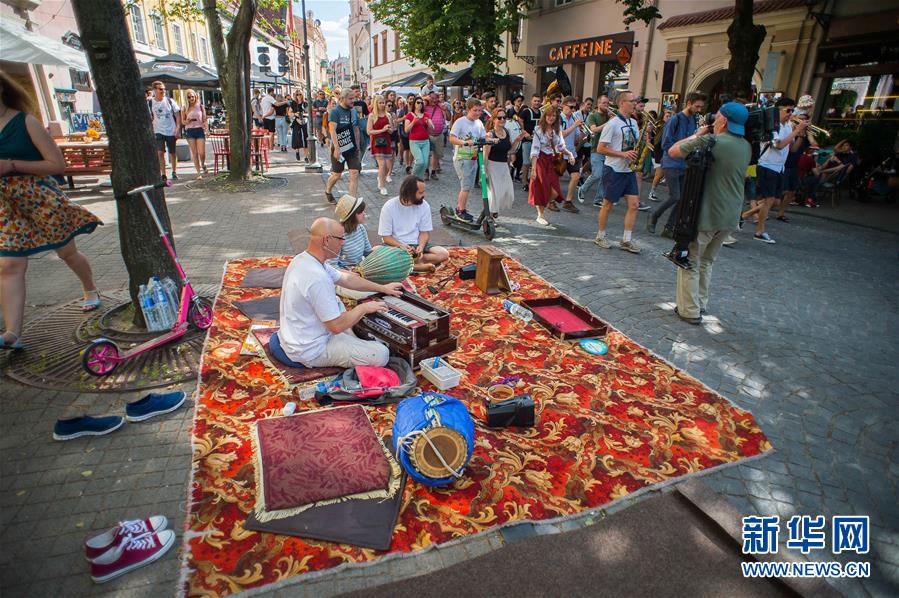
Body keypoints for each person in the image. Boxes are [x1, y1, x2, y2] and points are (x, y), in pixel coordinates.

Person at [0, 72, 103, 349]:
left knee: (66, 252)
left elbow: (56, 165)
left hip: (39, 199)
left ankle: (90, 288)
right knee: (9, 264)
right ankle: (13, 333)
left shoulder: (25, 122)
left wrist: (12, 165)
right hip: (5, 207)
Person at [277, 218, 403, 368]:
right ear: (327, 240)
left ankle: (351, 341)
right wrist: (363, 308)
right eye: (341, 238)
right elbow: (335, 327)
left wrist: (383, 288)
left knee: (336, 301)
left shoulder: (304, 259)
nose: (343, 242)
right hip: (311, 350)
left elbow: (347, 279)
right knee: (381, 354)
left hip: (301, 336)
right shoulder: (317, 277)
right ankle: (351, 343)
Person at [668, 102, 751, 324]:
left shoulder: (713, 141)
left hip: (708, 212)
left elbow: (673, 151)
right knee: (707, 261)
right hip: (731, 214)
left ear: (723, 121)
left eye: (716, 117)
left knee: (690, 259)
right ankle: (700, 303)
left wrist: (699, 133)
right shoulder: (746, 146)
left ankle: (689, 310)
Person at [741, 96, 807, 244]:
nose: (791, 113)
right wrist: (797, 131)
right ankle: (760, 231)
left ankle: (744, 215)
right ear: (778, 110)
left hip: (780, 167)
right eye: (788, 110)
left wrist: (801, 134)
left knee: (776, 201)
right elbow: (779, 145)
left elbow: (793, 149)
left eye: (793, 110)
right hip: (767, 165)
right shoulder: (772, 126)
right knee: (770, 200)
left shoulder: (789, 126)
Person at [650, 91, 707, 236]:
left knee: (682, 199)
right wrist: (683, 148)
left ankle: (669, 228)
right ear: (689, 103)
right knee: (676, 196)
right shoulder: (674, 120)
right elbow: (666, 143)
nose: (699, 110)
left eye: (701, 107)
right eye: (697, 106)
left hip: (684, 164)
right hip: (672, 163)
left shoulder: (693, 119)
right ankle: (654, 216)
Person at [594, 90, 642, 253]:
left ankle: (626, 240)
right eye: (632, 100)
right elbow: (600, 148)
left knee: (634, 205)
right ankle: (600, 235)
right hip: (613, 169)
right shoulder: (612, 123)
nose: (635, 103)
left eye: (635, 101)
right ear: (622, 103)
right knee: (608, 205)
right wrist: (622, 154)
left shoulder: (634, 123)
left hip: (628, 169)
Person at [378, 176, 449, 272]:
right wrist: (400, 246)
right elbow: (386, 237)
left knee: (443, 253)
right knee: (376, 251)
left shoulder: (424, 205)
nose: (424, 195)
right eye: (420, 193)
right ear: (409, 193)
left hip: (416, 245)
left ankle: (409, 263)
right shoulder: (389, 206)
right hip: (395, 246)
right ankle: (418, 266)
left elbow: (424, 233)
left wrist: (421, 246)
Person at [528, 105, 575, 226]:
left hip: (551, 160)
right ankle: (540, 215)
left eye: (553, 115)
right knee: (541, 186)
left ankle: (543, 204)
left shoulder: (557, 130)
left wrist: (569, 154)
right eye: (549, 115)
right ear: (545, 116)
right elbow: (535, 150)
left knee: (555, 191)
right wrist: (533, 169)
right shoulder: (538, 129)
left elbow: (560, 146)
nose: (551, 117)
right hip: (540, 159)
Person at [448, 98, 487, 222]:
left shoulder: (479, 123)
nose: (477, 113)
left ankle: (462, 208)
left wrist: (491, 138)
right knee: (466, 186)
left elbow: (483, 136)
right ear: (468, 110)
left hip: (474, 158)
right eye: (475, 110)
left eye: (479, 111)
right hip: (462, 158)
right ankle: (460, 210)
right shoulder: (460, 122)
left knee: (469, 186)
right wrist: (464, 142)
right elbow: (452, 138)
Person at [325, 89, 361, 203]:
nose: (353, 101)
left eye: (354, 98)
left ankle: (352, 202)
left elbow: (355, 129)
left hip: (351, 148)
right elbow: (332, 130)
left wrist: (358, 146)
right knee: (337, 175)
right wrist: (336, 148)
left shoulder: (353, 111)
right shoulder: (335, 112)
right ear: (342, 99)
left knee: (354, 173)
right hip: (339, 148)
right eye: (350, 99)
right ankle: (328, 191)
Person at [484, 108, 522, 218]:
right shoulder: (490, 135)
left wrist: (518, 140)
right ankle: (490, 216)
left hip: (503, 166)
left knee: (507, 192)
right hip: (492, 165)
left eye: (504, 117)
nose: (502, 120)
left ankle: (493, 212)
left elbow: (510, 150)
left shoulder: (507, 132)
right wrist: (484, 171)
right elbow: (486, 154)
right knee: (494, 193)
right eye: (499, 118)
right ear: (494, 119)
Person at [780, 112, 817, 219]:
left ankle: (781, 213)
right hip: (785, 163)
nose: (801, 121)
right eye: (799, 119)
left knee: (791, 191)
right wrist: (796, 129)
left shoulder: (806, 134)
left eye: (804, 120)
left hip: (795, 164)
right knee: (783, 191)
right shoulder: (790, 130)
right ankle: (759, 205)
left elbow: (814, 144)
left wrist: (807, 132)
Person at [577, 94, 612, 206]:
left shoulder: (609, 115)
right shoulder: (593, 116)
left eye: (607, 103)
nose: (606, 105)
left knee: (605, 176)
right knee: (597, 174)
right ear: (598, 104)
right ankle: (582, 189)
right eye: (604, 103)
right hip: (596, 149)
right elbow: (594, 129)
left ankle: (598, 199)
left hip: (608, 149)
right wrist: (609, 122)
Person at [148, 81, 181, 180]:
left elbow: (177, 115)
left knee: (172, 152)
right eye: (160, 89)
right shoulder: (150, 102)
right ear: (155, 90)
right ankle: (163, 174)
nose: (163, 91)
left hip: (171, 130)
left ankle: (174, 171)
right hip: (158, 130)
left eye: (164, 89)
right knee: (160, 152)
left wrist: (178, 128)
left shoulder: (169, 101)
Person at [557, 96, 583, 212]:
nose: (573, 110)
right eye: (571, 107)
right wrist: (574, 126)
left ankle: (568, 201)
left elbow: (576, 139)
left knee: (576, 176)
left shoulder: (573, 119)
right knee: (556, 178)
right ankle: (551, 200)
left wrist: (582, 136)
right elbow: (561, 134)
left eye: (574, 107)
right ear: (563, 106)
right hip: (560, 153)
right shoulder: (558, 118)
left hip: (571, 153)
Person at [332, 194, 372, 268]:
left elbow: (368, 252)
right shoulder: (338, 236)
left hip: (360, 269)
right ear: (352, 216)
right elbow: (332, 266)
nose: (364, 214)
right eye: (360, 212)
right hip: (344, 275)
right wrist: (350, 273)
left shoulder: (361, 228)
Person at [367, 94, 393, 195]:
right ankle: (382, 186)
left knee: (387, 166)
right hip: (377, 143)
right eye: (380, 103)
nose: (382, 104)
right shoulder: (372, 116)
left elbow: (391, 131)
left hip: (386, 142)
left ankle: (380, 177)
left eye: (383, 103)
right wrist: (382, 130)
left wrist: (389, 129)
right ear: (376, 103)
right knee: (382, 165)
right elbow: (369, 131)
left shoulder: (388, 115)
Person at [647, 108, 672, 202]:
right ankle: (652, 192)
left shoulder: (667, 125)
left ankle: (653, 192)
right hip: (657, 151)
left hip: (663, 151)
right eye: (667, 116)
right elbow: (651, 135)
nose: (669, 118)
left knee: (662, 173)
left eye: (670, 116)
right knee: (659, 173)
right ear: (662, 116)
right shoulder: (660, 125)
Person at [404, 96, 432, 179]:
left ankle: (418, 180)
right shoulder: (409, 115)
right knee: (420, 161)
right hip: (414, 141)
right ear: (414, 104)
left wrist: (429, 123)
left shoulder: (426, 114)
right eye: (418, 102)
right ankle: (412, 178)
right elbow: (406, 130)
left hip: (425, 141)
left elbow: (432, 128)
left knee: (425, 162)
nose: (420, 104)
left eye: (421, 103)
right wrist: (413, 122)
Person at [182, 89, 208, 178]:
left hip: (199, 130)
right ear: (187, 98)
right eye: (189, 97)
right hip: (190, 131)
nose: (191, 98)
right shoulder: (185, 107)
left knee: (202, 152)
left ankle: (203, 164)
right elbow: (183, 121)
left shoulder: (200, 106)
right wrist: (187, 121)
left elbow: (205, 119)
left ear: (195, 96)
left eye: (192, 96)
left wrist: (207, 130)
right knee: (195, 153)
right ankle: (198, 173)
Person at [519, 94, 541, 190]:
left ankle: (533, 181)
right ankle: (524, 182)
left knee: (535, 163)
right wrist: (524, 132)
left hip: (537, 141)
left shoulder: (541, 112)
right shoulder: (526, 112)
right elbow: (519, 121)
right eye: (535, 101)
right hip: (527, 141)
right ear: (531, 101)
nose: (536, 102)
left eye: (538, 101)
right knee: (526, 162)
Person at [425, 91, 448, 181]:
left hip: (439, 134)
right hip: (427, 134)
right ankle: (426, 172)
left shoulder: (440, 107)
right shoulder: (424, 107)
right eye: (432, 98)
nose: (434, 100)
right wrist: (425, 99)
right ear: (428, 98)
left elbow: (449, 118)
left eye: (436, 98)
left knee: (436, 155)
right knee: (427, 154)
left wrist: (445, 110)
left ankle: (433, 172)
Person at [350, 84, 369, 163]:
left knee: (363, 145)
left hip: (361, 126)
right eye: (356, 91)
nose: (358, 93)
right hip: (352, 126)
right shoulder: (349, 102)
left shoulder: (362, 103)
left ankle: (359, 162)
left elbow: (367, 114)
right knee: (357, 145)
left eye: (359, 91)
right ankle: (356, 163)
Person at [289, 90, 308, 162]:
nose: (299, 96)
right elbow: (289, 113)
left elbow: (309, 112)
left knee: (306, 138)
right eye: (297, 94)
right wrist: (295, 114)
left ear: (302, 95)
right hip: (296, 122)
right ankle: (297, 151)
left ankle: (306, 156)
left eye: (300, 94)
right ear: (295, 95)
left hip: (304, 121)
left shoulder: (305, 103)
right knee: (297, 138)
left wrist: (304, 114)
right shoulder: (293, 103)